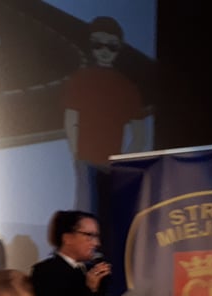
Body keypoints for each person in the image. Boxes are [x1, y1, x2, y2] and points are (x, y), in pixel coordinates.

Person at [61, 16, 147, 213]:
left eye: (112, 46)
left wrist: (121, 163)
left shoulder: (127, 87)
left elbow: (140, 136)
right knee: (85, 209)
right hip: (86, 160)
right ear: (90, 45)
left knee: (102, 210)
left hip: (108, 164)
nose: (104, 51)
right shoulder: (80, 80)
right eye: (98, 45)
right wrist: (77, 155)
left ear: (119, 48)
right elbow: (71, 120)